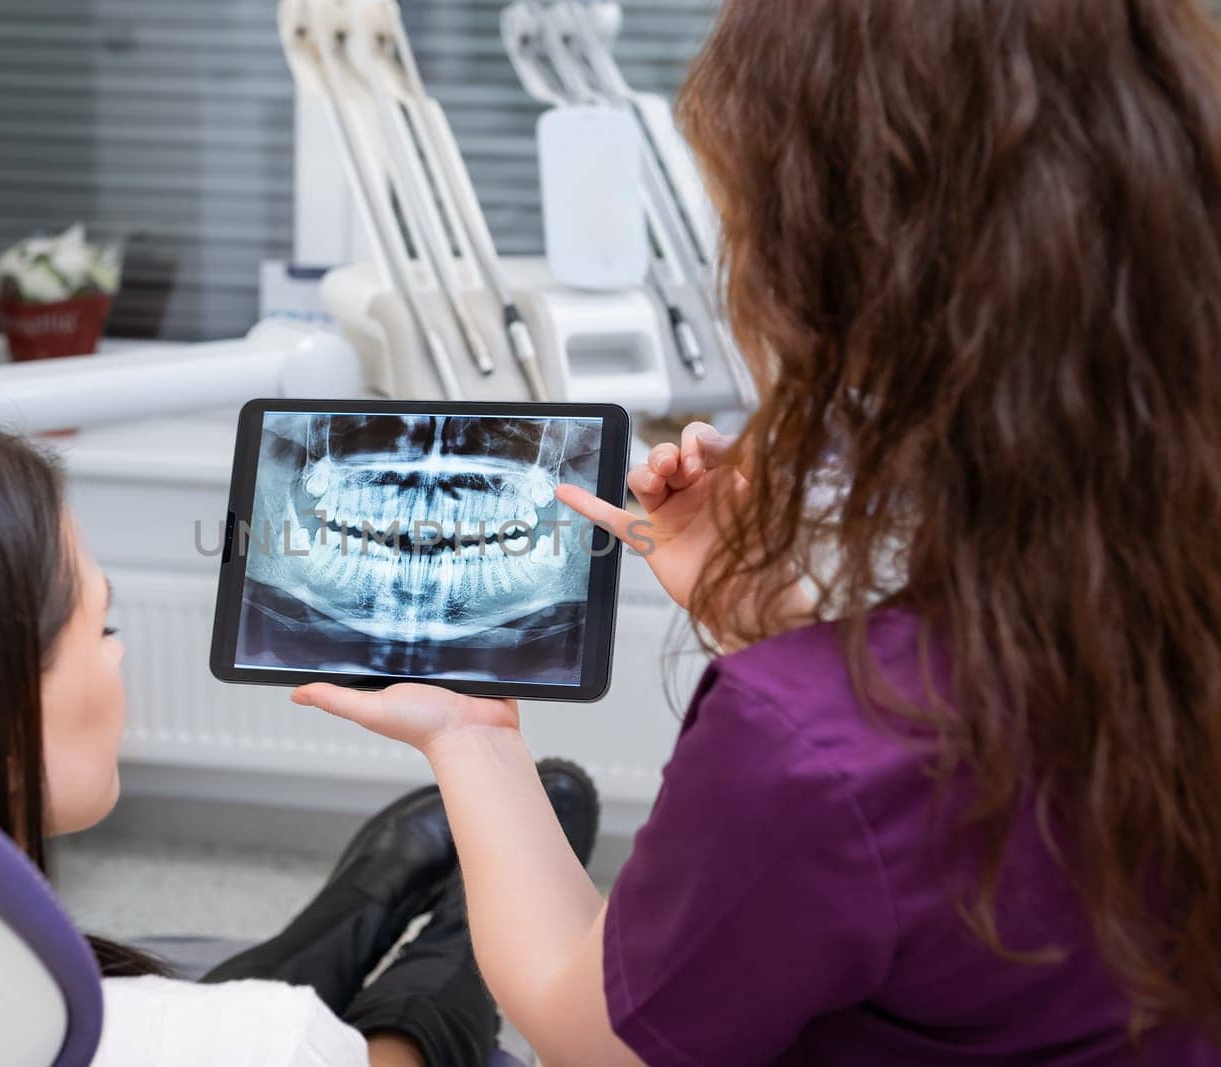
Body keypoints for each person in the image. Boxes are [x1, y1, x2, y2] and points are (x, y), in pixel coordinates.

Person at [291, 1, 1221, 1063]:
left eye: (732, 220)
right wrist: (776, 633)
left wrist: (469, 734)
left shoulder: (816, 750)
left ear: (822, 278)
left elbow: (590, 1029)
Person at [0, 413, 600, 1067]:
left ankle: (359, 900)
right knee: (420, 1015)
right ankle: (432, 937)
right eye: (102, 626)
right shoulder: (263, 1045)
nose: (117, 656)